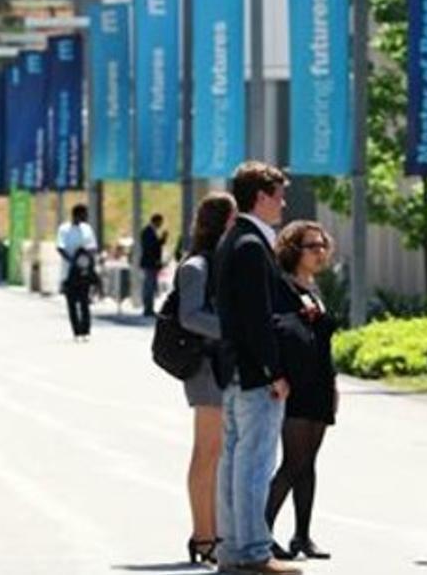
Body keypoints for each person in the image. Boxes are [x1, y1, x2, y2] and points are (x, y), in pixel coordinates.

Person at [213, 161, 300, 574]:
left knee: (234, 459)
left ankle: (232, 547)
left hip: (233, 368)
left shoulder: (233, 239)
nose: (283, 203)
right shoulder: (251, 245)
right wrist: (274, 369)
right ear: (261, 196)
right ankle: (251, 551)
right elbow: (257, 317)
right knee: (254, 461)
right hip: (253, 372)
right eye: (279, 195)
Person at [265, 221, 338, 562]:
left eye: (323, 245)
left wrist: (334, 384)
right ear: (294, 250)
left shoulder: (314, 288)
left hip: (320, 383)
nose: (320, 252)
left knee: (309, 462)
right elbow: (275, 332)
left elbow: (324, 344)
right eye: (312, 246)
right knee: (293, 462)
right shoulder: (281, 287)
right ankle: (260, 532)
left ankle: (302, 536)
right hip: (296, 383)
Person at [175, 192, 237, 565]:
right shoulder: (197, 266)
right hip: (204, 368)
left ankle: (215, 531)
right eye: (233, 220)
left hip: (222, 364)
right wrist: (232, 329)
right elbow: (189, 316)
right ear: (221, 223)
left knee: (220, 452)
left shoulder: (219, 262)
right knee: (207, 451)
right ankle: (203, 536)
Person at [57, 203, 99, 341]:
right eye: (84, 214)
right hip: (69, 272)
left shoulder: (87, 229)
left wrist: (86, 258)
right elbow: (60, 248)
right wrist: (73, 260)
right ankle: (76, 331)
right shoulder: (64, 229)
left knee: (84, 302)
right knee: (72, 303)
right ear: (77, 214)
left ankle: (85, 330)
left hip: (84, 271)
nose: (86, 217)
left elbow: (93, 247)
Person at [140, 213, 168, 317]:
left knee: (151, 286)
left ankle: (149, 308)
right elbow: (151, 248)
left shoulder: (150, 232)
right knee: (149, 286)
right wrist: (162, 240)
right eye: (160, 222)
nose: (160, 225)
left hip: (151, 263)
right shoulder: (148, 232)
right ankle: (148, 309)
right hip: (150, 263)